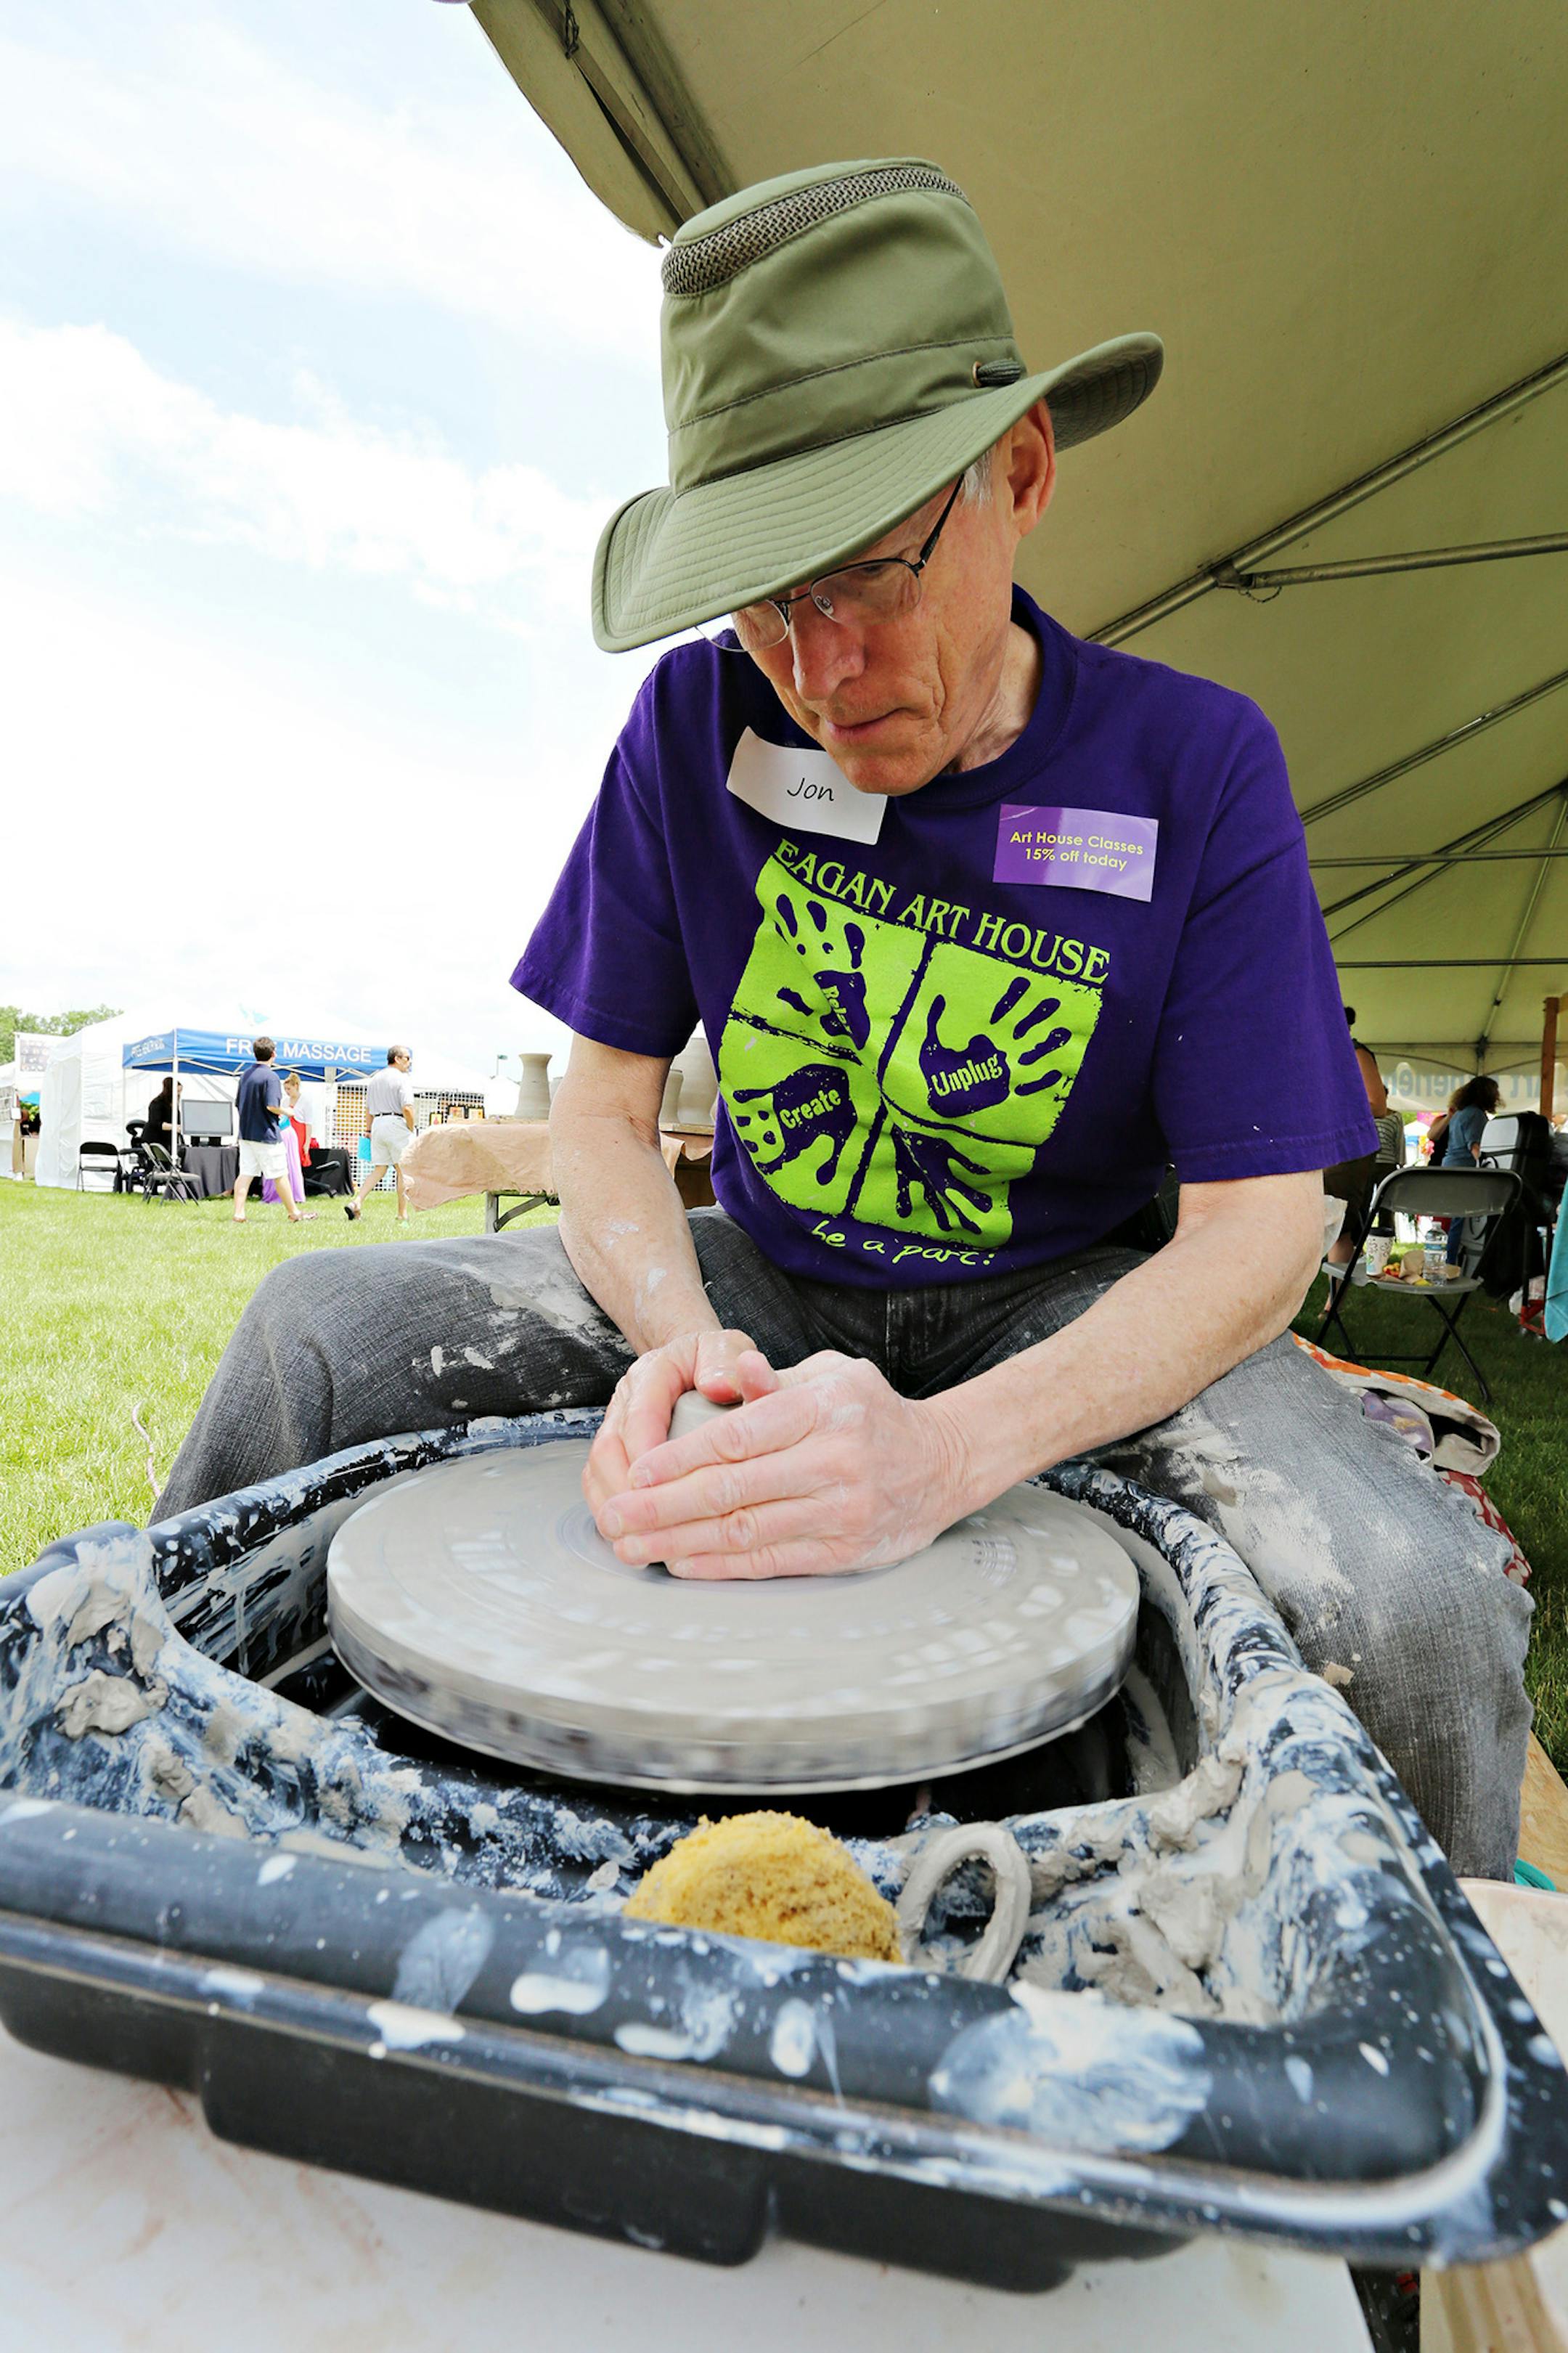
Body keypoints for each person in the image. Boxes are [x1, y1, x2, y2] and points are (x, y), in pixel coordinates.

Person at [160, 159, 1529, 1880]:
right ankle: (129, 1858)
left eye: (865, 579)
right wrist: (675, 1340)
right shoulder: (692, 722)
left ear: (1018, 476)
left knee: (1404, 1609)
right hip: (761, 1267)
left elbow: (1259, 1236)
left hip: (1056, 1303)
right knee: (309, 1341)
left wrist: (945, 1455)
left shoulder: (1192, 764)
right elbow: (600, 1116)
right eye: (762, 596)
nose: (815, 667)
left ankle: (1423, 2091)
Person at [1323, 1008, 1384, 1266]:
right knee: (1328, 1220)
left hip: (1349, 1148)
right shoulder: (1326, 1056)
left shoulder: (1356, 1053)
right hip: (1328, 1147)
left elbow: (1377, 1105)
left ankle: (1332, 1304)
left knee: (1339, 1223)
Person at [232, 1036, 312, 1226]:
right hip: (266, 1134)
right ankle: (294, 1213)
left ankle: (239, 1213)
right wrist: (288, 1111)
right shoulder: (271, 1077)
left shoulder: (245, 1076)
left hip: (246, 1134)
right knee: (280, 1174)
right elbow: (272, 1106)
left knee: (245, 1174)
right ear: (273, 1054)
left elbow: (238, 1103)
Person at [344, 1045, 415, 1223]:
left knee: (380, 1169)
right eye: (407, 1058)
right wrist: (411, 1127)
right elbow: (407, 1108)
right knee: (402, 1169)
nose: (409, 1061)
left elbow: (368, 1109)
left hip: (378, 1125)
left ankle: (357, 1202)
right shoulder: (402, 1079)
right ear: (397, 1059)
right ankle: (402, 1214)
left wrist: (368, 1130)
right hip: (396, 1123)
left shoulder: (375, 1079)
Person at [1437, 1076, 1502, 1265]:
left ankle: (1446, 1260)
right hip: (1463, 1171)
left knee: (1452, 1219)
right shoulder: (1476, 1114)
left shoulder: (1460, 1113)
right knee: (1459, 1220)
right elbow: (1475, 1147)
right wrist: (1487, 1167)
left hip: (1449, 1167)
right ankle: (1450, 1263)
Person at [282, 1072, 354, 1199]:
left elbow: (309, 1123)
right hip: (287, 1131)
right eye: (286, 1089)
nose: (287, 1092)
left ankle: (295, 1189)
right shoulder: (285, 1101)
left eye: (289, 1089)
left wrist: (307, 1143)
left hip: (300, 1133)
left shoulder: (305, 1101)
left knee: (296, 1161)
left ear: (296, 1086)